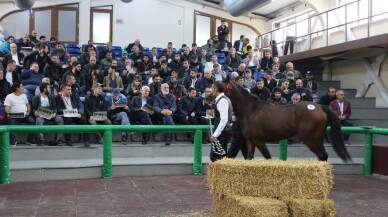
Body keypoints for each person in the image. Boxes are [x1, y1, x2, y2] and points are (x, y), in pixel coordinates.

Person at [209, 81, 232, 162]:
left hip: (222, 133)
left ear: (216, 89)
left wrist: (215, 135)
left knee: (216, 156)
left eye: (212, 88)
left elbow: (224, 119)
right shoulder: (224, 99)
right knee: (219, 156)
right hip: (223, 131)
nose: (211, 90)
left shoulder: (222, 101)